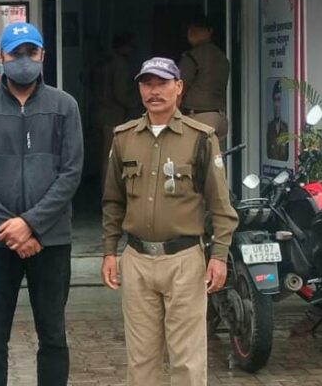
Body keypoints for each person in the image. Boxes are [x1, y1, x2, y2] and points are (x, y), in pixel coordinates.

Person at [101, 57, 238, 385]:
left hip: (184, 260)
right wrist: (109, 251)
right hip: (137, 260)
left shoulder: (200, 137)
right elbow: (113, 201)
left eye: (162, 83)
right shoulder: (124, 138)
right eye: (147, 84)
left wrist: (219, 256)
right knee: (141, 361)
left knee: (187, 361)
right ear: (139, 90)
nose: (154, 91)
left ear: (179, 87)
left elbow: (221, 205)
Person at [0, 22, 84, 386]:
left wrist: (30, 224)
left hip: (50, 240)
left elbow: (71, 173)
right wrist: (9, 228)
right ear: (0, 56)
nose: (24, 60)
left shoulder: (65, 106)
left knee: (53, 336)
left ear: (43, 55)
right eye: (16, 53)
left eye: (31, 52)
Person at [90, 32, 140, 188]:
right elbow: (120, 93)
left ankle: (102, 190)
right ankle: (107, 193)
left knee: (102, 155)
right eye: (131, 47)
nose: (132, 51)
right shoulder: (120, 64)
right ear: (124, 47)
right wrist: (137, 102)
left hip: (97, 111)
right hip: (112, 115)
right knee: (110, 157)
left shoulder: (102, 61)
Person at [178, 15, 230, 151]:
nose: (192, 33)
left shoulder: (192, 57)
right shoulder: (222, 57)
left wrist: (170, 117)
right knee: (216, 161)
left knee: (191, 161)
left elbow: (179, 91)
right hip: (219, 117)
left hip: (197, 119)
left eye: (195, 30)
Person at [266, 80, 289, 161]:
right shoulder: (269, 127)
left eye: (279, 100)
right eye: (275, 100)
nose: (276, 104)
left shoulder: (286, 128)